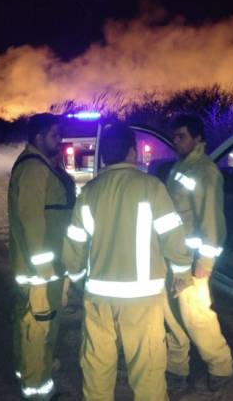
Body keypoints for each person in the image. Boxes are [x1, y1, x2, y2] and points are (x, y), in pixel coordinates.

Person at [63, 123, 193, 400]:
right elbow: (173, 236)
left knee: (97, 365)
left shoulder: (89, 192)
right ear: (132, 152)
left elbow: (74, 243)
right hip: (142, 299)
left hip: (98, 296)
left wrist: (76, 278)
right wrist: (182, 273)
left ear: (104, 156)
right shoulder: (151, 187)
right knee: (147, 368)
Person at [164, 114, 233, 391]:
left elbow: (211, 223)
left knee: (196, 316)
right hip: (174, 257)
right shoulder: (182, 167)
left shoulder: (204, 172)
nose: (175, 141)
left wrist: (204, 263)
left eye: (181, 136)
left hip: (192, 261)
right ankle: (176, 368)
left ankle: (220, 367)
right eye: (174, 136)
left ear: (197, 138)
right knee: (173, 317)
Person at [9, 113, 76, 400]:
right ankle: (38, 389)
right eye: (54, 135)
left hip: (45, 266)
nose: (59, 139)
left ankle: (31, 369)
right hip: (41, 270)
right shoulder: (34, 169)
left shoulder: (43, 166)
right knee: (38, 327)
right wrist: (45, 266)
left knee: (31, 323)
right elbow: (31, 220)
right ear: (38, 137)